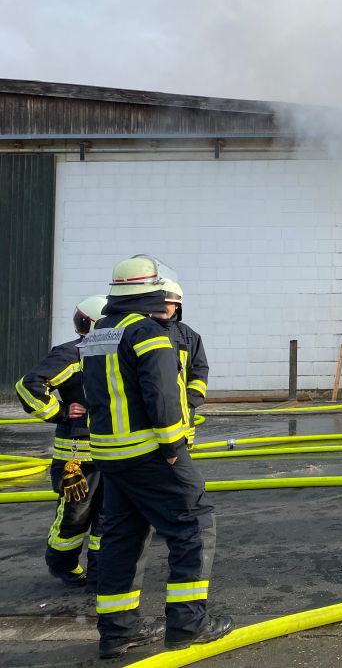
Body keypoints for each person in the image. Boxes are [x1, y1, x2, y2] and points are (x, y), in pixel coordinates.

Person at [79, 255, 232, 658]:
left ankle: (117, 631)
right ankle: (188, 623)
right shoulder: (148, 332)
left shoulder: (99, 332)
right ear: (149, 292)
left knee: (121, 538)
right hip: (150, 453)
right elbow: (161, 396)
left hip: (110, 455)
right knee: (194, 524)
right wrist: (172, 447)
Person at [15, 295, 107, 589]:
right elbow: (28, 387)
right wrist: (60, 412)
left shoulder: (115, 354)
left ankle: (100, 574)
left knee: (108, 519)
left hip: (114, 456)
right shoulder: (72, 355)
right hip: (77, 459)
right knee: (75, 516)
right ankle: (62, 564)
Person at [161, 280, 209, 446]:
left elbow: (200, 370)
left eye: (168, 303)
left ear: (177, 306)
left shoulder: (189, 336)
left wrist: (189, 400)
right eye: (159, 302)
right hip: (152, 421)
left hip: (183, 420)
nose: (163, 306)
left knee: (182, 456)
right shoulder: (141, 333)